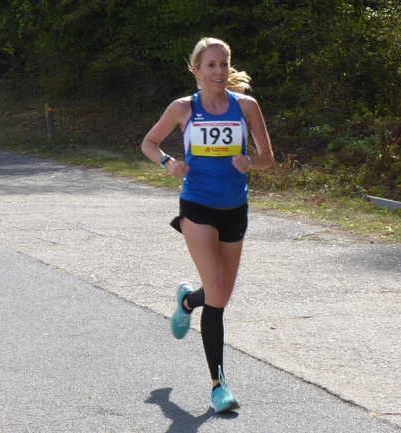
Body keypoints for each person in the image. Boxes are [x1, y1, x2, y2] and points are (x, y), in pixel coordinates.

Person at [141, 37, 274, 413]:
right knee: (217, 292)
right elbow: (149, 143)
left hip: (235, 208)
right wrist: (169, 163)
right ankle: (219, 385)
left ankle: (187, 300)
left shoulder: (246, 106)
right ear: (197, 70)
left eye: (224, 63)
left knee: (220, 294)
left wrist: (251, 162)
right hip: (197, 206)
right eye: (211, 65)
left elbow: (268, 157)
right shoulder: (184, 108)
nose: (219, 71)